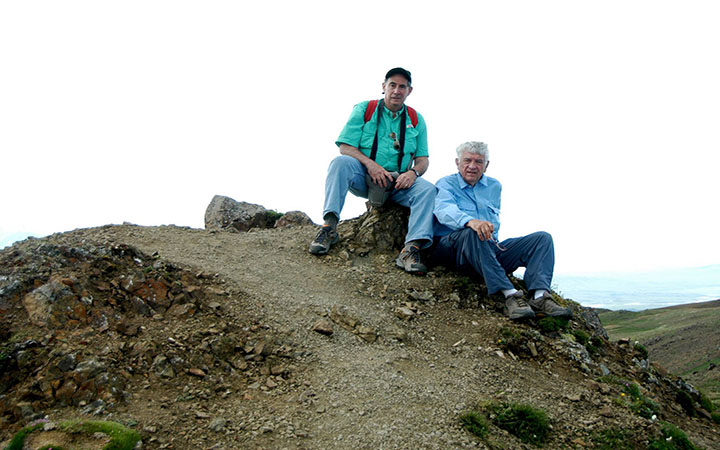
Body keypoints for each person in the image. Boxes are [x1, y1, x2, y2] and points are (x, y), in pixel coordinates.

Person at [309, 67, 436, 274]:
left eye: (402, 86)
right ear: (383, 86)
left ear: (409, 90)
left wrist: (412, 173)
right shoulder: (364, 110)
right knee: (340, 163)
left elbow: (423, 160)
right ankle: (329, 228)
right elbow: (345, 147)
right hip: (365, 177)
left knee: (428, 190)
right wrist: (371, 165)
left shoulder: (416, 119)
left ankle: (411, 249)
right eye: (392, 85)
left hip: (398, 183)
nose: (396, 90)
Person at [432, 141, 571, 320]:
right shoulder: (445, 184)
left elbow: (493, 224)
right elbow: (444, 211)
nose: (472, 166)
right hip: (455, 250)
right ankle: (510, 295)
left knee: (542, 239)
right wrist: (471, 222)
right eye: (467, 160)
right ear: (457, 162)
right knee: (475, 232)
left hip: (487, 248)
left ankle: (539, 297)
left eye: (478, 162)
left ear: (486, 165)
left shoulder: (494, 186)